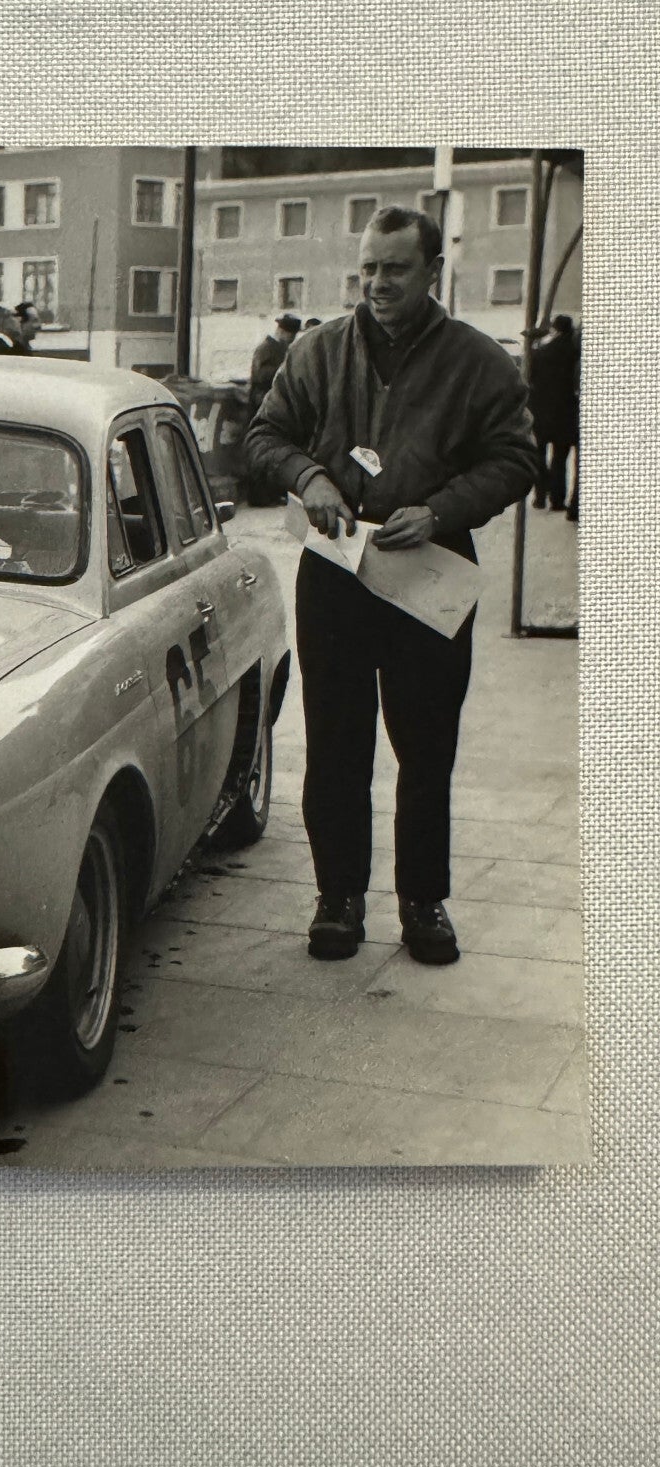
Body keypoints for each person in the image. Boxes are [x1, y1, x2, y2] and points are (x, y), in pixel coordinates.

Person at [245, 206, 538, 967]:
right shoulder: (315, 352)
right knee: (335, 743)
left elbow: (516, 459)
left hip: (430, 572)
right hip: (336, 570)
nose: (377, 283)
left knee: (427, 747)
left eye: (395, 269)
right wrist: (309, 477)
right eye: (369, 268)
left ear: (433, 271)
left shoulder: (479, 361)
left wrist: (441, 510)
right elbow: (264, 435)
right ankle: (338, 898)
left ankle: (423, 902)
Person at [245, 313, 301, 504]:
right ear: (282, 331)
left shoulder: (280, 348)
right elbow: (260, 375)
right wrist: (283, 369)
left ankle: (271, 493)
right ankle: (258, 496)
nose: (292, 339)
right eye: (291, 335)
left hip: (273, 404)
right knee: (262, 450)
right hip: (261, 404)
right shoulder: (266, 348)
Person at [528, 314, 580, 514]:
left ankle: (540, 496)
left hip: (540, 412)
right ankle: (557, 499)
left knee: (539, 455)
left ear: (555, 329)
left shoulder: (540, 352)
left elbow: (531, 379)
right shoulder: (574, 353)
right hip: (565, 413)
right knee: (560, 457)